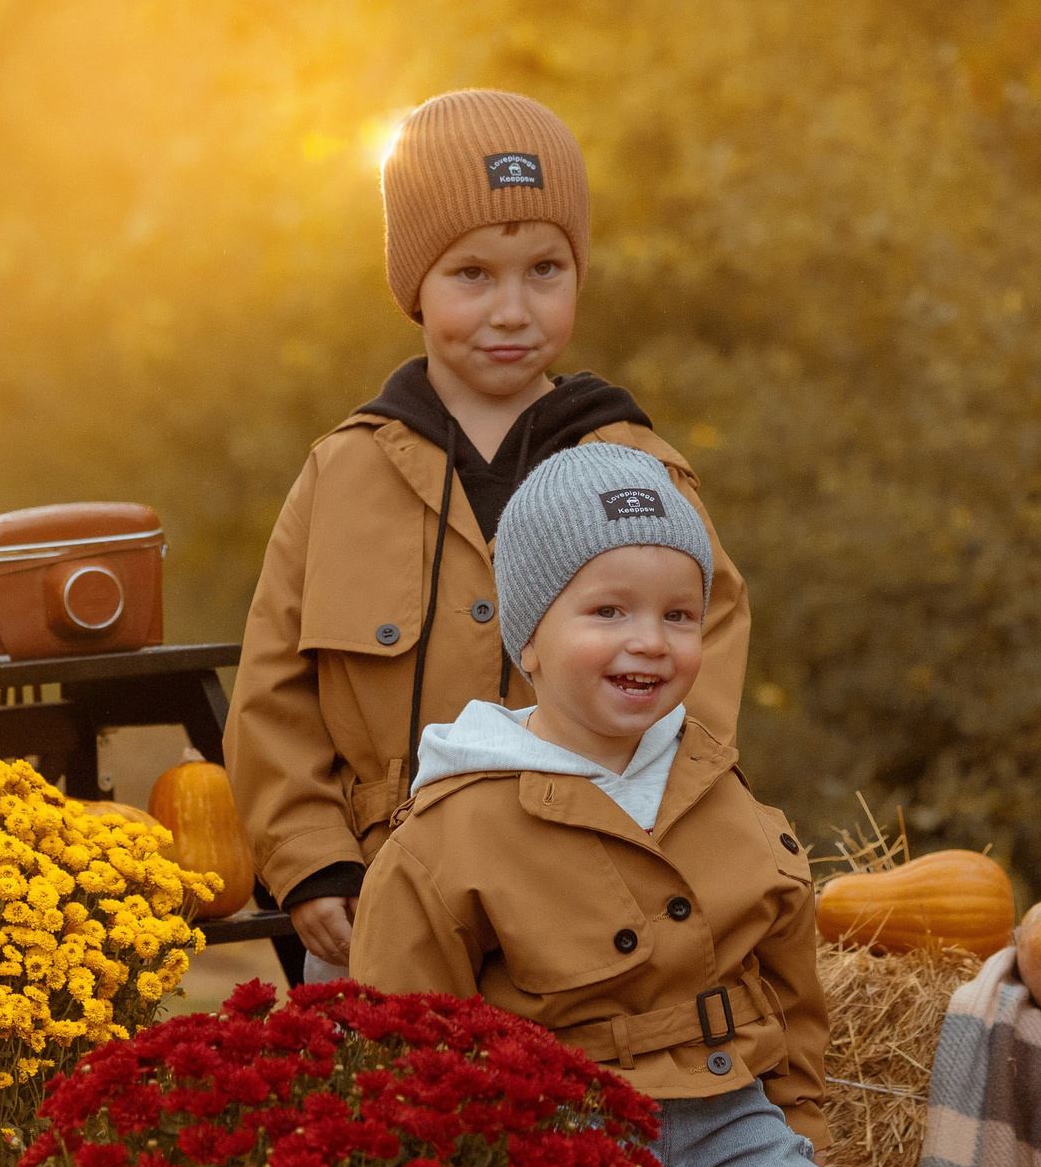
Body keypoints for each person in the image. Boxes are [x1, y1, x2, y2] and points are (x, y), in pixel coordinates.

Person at [351, 443, 886, 1167]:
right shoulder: (462, 819)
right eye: (608, 611)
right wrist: (457, 1158)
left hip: (727, 1097)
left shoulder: (708, 780)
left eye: (677, 616)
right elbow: (405, 1012)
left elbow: (788, 955)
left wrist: (802, 1107)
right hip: (571, 1115)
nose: (648, 641)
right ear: (532, 639)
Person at [227, 90, 749, 980]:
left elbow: (705, 674)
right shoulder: (343, 475)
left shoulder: (636, 472)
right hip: (384, 898)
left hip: (594, 910)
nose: (512, 310)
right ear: (414, 287)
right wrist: (311, 859)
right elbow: (274, 692)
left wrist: (652, 836)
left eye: (545, 270)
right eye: (473, 275)